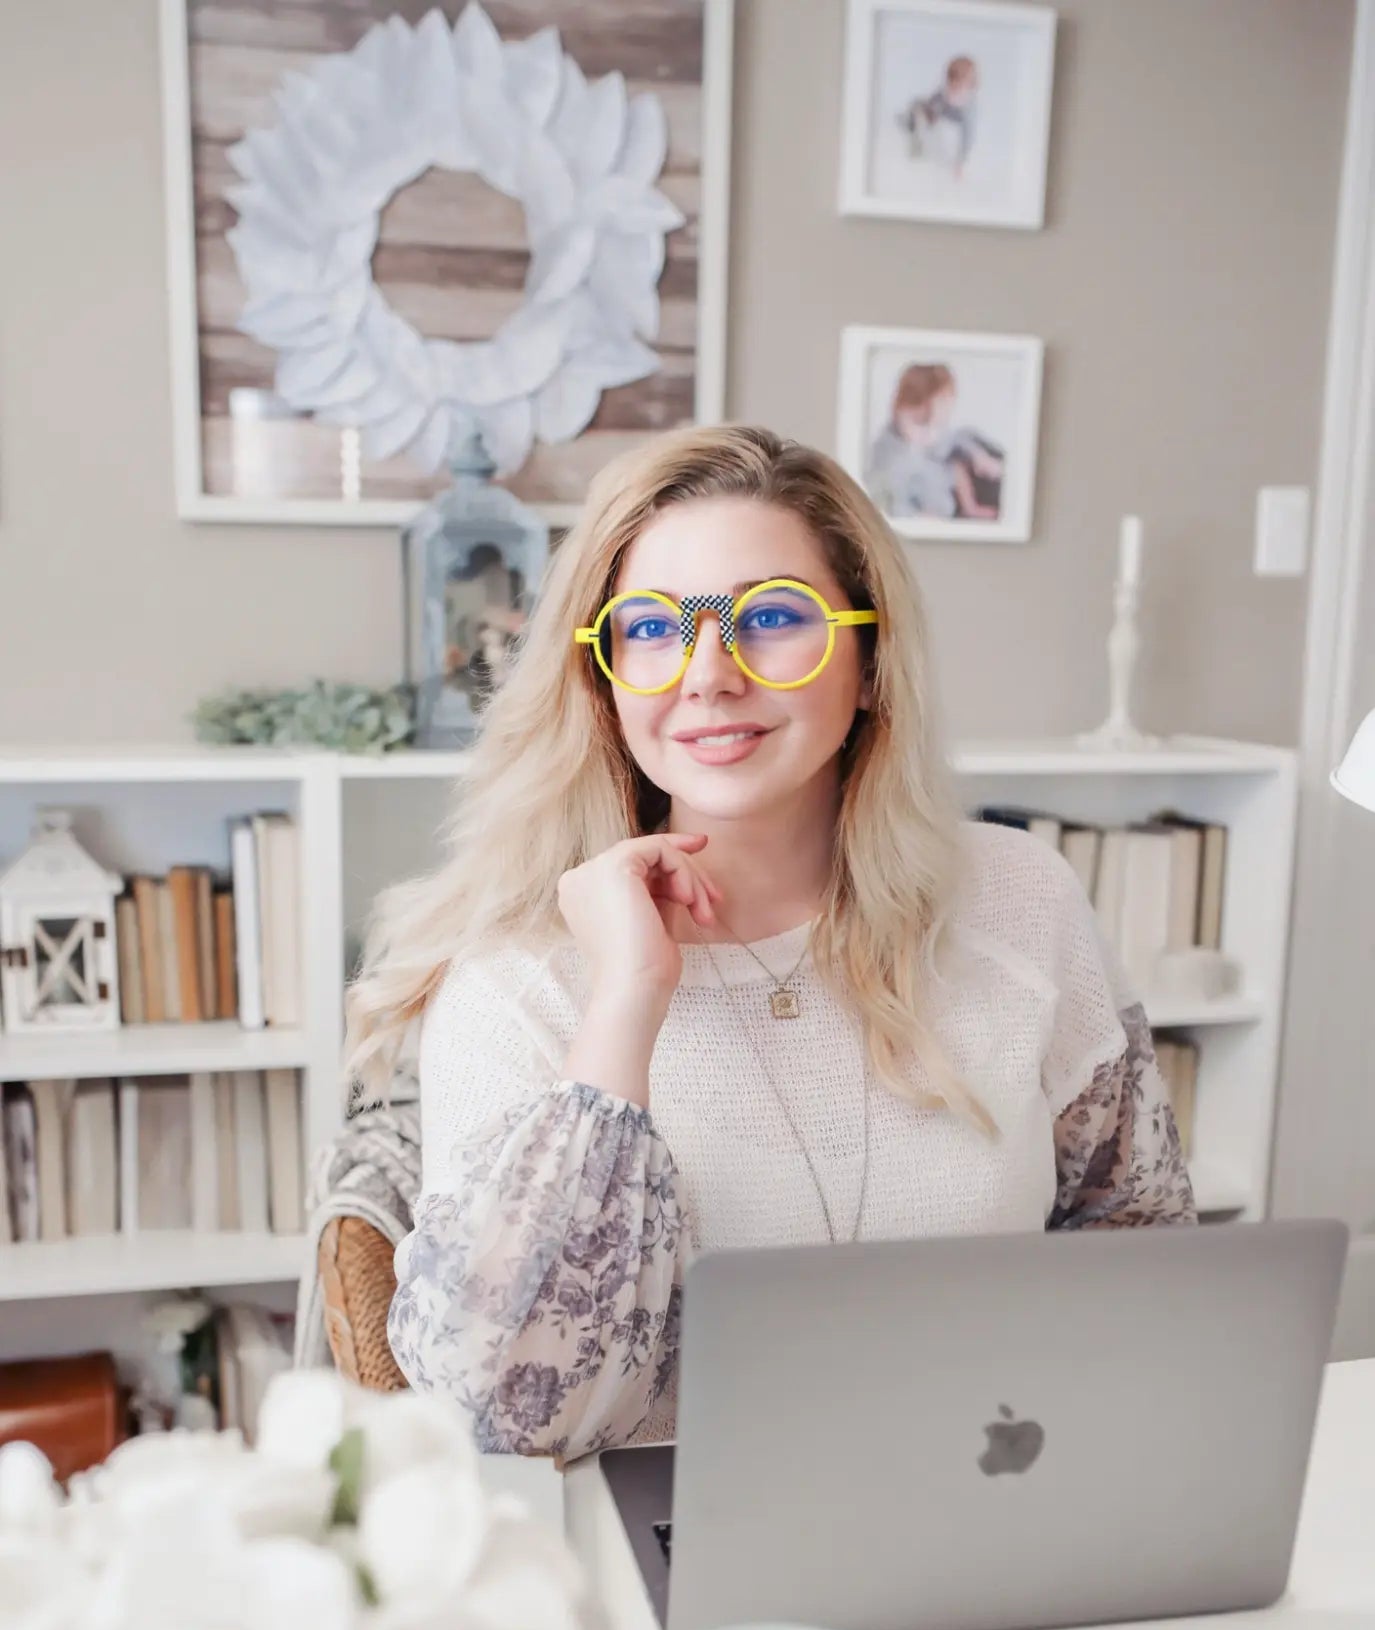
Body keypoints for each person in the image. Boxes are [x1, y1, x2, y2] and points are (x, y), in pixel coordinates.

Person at [345, 424, 1195, 1460]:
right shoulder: (514, 977)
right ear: (603, 680)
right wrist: (628, 998)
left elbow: (1136, 1238)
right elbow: (508, 1411)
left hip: (993, 1499)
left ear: (871, 661)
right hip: (656, 1537)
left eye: (773, 616)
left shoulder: (1022, 899)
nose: (706, 673)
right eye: (649, 627)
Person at [866, 363, 1004, 522]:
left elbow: (954, 440)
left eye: (938, 425)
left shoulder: (940, 437)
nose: (931, 435)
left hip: (943, 498)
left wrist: (978, 456)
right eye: (921, 423)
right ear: (899, 409)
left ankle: (971, 507)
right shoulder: (888, 451)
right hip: (916, 508)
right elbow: (885, 497)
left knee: (958, 455)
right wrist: (913, 516)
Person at [900, 53, 980, 177]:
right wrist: (931, 113)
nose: (954, 87)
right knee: (917, 105)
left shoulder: (969, 107)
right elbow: (933, 101)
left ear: (970, 84)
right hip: (938, 109)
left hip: (953, 115)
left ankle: (917, 138)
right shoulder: (944, 92)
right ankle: (910, 127)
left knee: (956, 131)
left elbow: (967, 137)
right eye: (952, 82)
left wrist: (960, 162)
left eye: (961, 83)